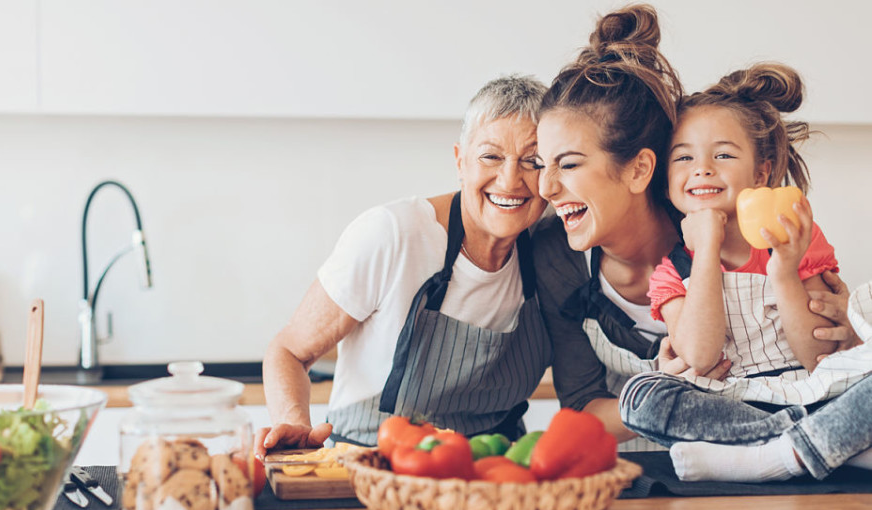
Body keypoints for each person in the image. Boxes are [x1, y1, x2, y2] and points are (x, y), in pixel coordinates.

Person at [531, 4, 858, 447]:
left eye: (568, 164)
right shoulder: (558, 257)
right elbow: (583, 408)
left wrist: (852, 324)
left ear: (640, 169)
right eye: (685, 157)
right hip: (659, 464)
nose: (546, 187)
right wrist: (667, 385)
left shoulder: (740, 226)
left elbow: (824, 349)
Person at [257, 75, 552, 455]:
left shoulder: (556, 250)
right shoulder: (393, 234)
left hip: (495, 474)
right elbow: (289, 350)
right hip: (369, 467)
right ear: (460, 161)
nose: (511, 179)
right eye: (490, 156)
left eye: (533, 161)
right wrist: (295, 425)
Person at [619, 63, 872, 482]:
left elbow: (817, 358)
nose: (702, 168)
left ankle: (773, 457)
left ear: (761, 172)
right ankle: (821, 446)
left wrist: (785, 271)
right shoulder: (672, 271)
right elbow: (700, 357)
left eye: (722, 154)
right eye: (684, 157)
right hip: (736, 408)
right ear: (666, 182)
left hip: (816, 394)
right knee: (640, 396)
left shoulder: (794, 238)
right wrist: (706, 251)